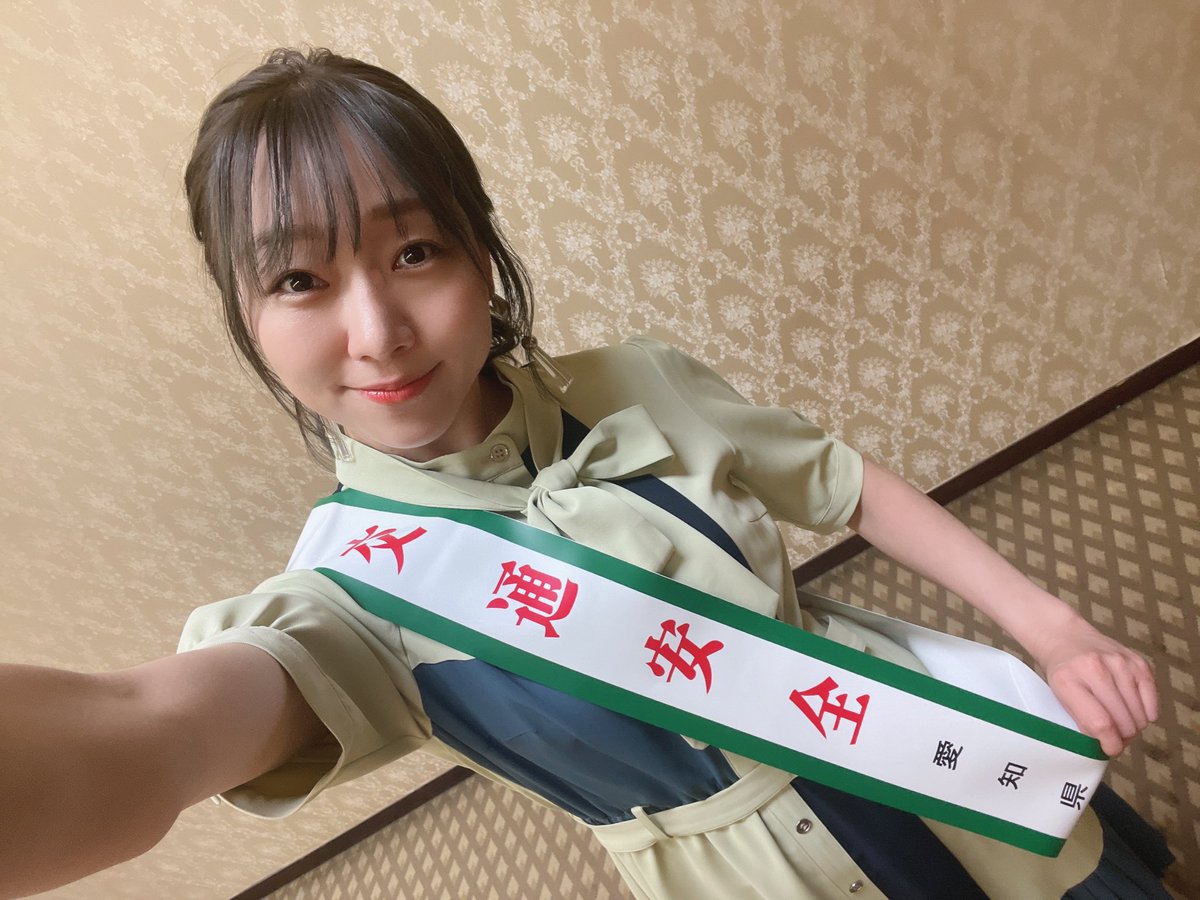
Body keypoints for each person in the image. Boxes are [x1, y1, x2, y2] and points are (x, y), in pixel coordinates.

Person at [0, 48, 1173, 900]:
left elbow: (843, 484)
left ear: (481, 251)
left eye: (415, 251)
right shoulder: (350, 591)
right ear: (248, 319)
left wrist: (1055, 631)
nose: (378, 333)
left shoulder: (637, 381)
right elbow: (149, 726)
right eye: (300, 281)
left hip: (922, 749)